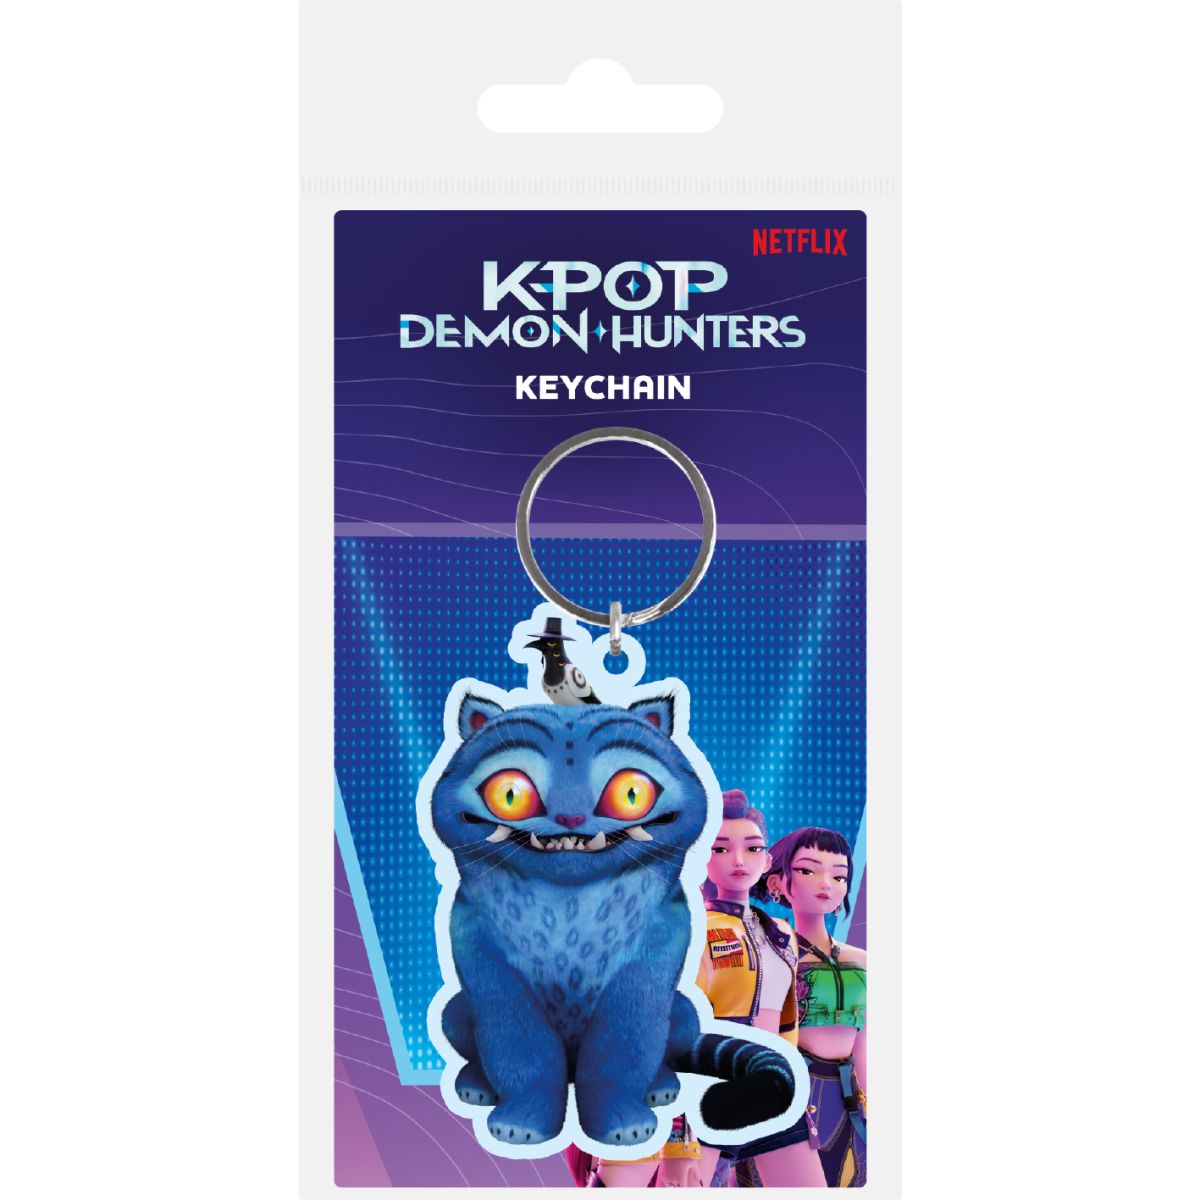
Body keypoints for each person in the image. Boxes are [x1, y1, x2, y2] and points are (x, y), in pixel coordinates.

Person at [676, 790, 827, 1188]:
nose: (739, 860)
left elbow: (789, 1019)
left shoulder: (782, 933)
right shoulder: (693, 930)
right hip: (716, 1087)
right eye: (721, 849)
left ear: (768, 860)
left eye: (753, 848)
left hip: (777, 1086)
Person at [763, 825, 866, 1187]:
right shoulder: (772, 953)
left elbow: (864, 1043)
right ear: (777, 882)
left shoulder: (862, 960)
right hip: (791, 1086)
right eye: (808, 870)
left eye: (839, 876)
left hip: (848, 1094)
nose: (826, 883)